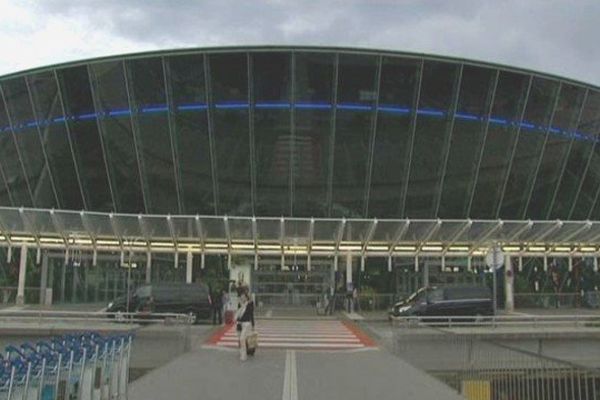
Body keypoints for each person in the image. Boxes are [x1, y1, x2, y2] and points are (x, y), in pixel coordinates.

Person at [236, 289, 255, 361]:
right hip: (239, 323)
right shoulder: (239, 304)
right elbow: (238, 315)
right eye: (241, 296)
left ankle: (244, 355)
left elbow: (251, 315)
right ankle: (242, 352)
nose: (242, 298)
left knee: (242, 338)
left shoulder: (250, 304)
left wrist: (253, 325)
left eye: (243, 296)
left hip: (246, 324)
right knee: (240, 339)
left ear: (246, 298)